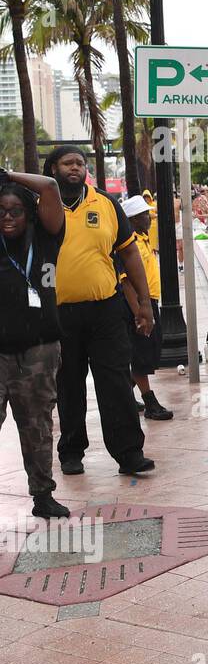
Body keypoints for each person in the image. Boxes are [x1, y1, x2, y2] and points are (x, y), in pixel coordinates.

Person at [44, 146, 155, 478]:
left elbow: (130, 253)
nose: (75, 168)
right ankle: (71, 452)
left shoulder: (106, 204)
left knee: (116, 383)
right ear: (52, 169)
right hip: (59, 313)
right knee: (69, 385)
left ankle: (129, 453)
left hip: (105, 310)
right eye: (68, 163)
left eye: (80, 163)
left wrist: (145, 304)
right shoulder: (41, 207)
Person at [0, 169, 69, 517]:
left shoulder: (45, 238)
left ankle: (42, 495)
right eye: (1, 211)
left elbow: (51, 187)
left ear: (29, 215)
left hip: (39, 348)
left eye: (16, 211)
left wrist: (8, 174)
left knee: (37, 425)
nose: (8, 217)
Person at [118, 196, 173, 421]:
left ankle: (123, 395)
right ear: (131, 219)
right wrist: (139, 312)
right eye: (143, 215)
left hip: (149, 302)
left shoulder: (142, 239)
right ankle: (150, 402)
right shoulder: (129, 245)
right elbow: (126, 281)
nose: (149, 218)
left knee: (148, 352)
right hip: (141, 305)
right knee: (141, 354)